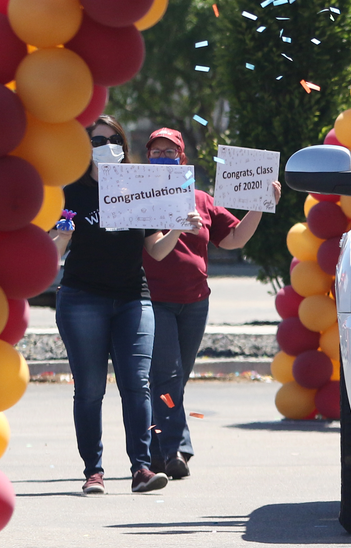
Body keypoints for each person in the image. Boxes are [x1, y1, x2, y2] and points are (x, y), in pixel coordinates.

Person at [51, 116, 203, 496]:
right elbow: (53, 256)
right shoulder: (70, 191)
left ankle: (142, 468)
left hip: (134, 298)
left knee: (137, 385)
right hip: (82, 298)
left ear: (123, 145)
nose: (106, 147)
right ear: (83, 149)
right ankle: (94, 471)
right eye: (97, 140)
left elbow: (154, 248)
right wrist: (62, 237)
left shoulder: (136, 186)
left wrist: (179, 229)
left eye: (113, 139)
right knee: (89, 390)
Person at [142, 128, 282, 480]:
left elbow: (233, 238)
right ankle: (177, 449)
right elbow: (154, 251)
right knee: (167, 377)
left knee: (175, 380)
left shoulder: (202, 200)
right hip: (155, 301)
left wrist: (259, 206)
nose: (162, 158)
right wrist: (176, 225)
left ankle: (157, 449)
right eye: (155, 152)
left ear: (182, 158)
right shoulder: (143, 198)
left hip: (194, 302)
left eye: (168, 152)